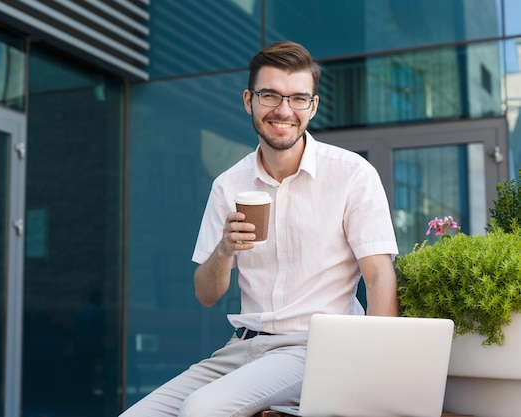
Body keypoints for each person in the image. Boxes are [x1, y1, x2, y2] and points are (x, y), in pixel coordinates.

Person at [119, 41, 398, 417]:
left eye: (298, 98)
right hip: (242, 348)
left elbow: (380, 277)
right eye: (270, 96)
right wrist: (223, 251)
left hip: (315, 349)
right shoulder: (228, 185)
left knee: (202, 410)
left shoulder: (351, 175)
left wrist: (375, 373)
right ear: (249, 100)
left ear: (312, 107)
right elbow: (206, 294)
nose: (284, 110)